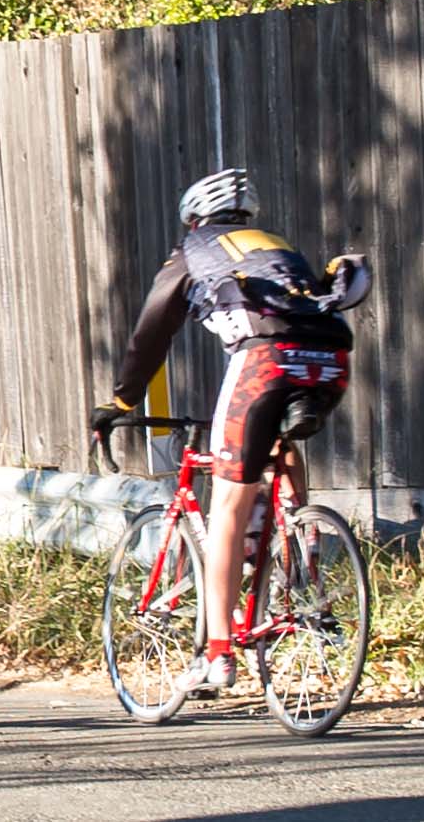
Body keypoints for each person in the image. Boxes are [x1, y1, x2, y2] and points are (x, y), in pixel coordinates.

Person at [93, 168, 370, 709]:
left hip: (264, 363)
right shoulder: (278, 248)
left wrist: (123, 400)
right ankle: (299, 560)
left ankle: (217, 654)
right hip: (331, 362)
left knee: (228, 506)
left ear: (194, 219)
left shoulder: (194, 250)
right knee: (280, 448)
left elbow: (152, 330)